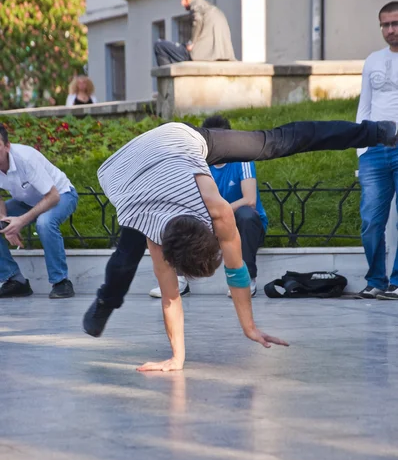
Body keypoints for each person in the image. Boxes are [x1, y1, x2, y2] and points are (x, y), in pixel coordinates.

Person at [83, 117, 398, 372]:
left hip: (176, 141)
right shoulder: (152, 231)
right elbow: (171, 298)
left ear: (211, 229)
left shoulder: (216, 207)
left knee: (274, 141)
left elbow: (236, 270)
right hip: (126, 170)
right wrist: (176, 359)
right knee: (125, 257)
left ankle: (378, 131)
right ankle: (105, 303)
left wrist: (249, 327)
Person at [149, 115, 268, 299]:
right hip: (211, 222)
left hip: (242, 225)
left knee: (247, 214)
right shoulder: (199, 162)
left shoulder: (242, 159)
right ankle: (179, 281)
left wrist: (221, 211)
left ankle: (248, 280)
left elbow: (249, 199)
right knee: (179, 217)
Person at [0, 124, 78, 298]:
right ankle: (15, 280)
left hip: (62, 195)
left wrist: (21, 221)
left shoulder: (25, 158)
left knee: (45, 223)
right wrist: (5, 221)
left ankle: (61, 282)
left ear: (7, 146)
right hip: (27, 201)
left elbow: (53, 196)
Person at [355, 1, 398, 300]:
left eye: (395, 23)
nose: (391, 30)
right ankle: (377, 281)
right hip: (374, 150)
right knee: (371, 221)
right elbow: (364, 106)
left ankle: (396, 282)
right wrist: (361, 148)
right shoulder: (372, 60)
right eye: (385, 25)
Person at [154, 0, 235, 66]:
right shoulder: (214, 10)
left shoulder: (197, 3)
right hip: (222, 55)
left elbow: (197, 20)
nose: (182, 2)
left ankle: (167, 75)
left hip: (201, 55)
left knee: (159, 45)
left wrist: (192, 42)